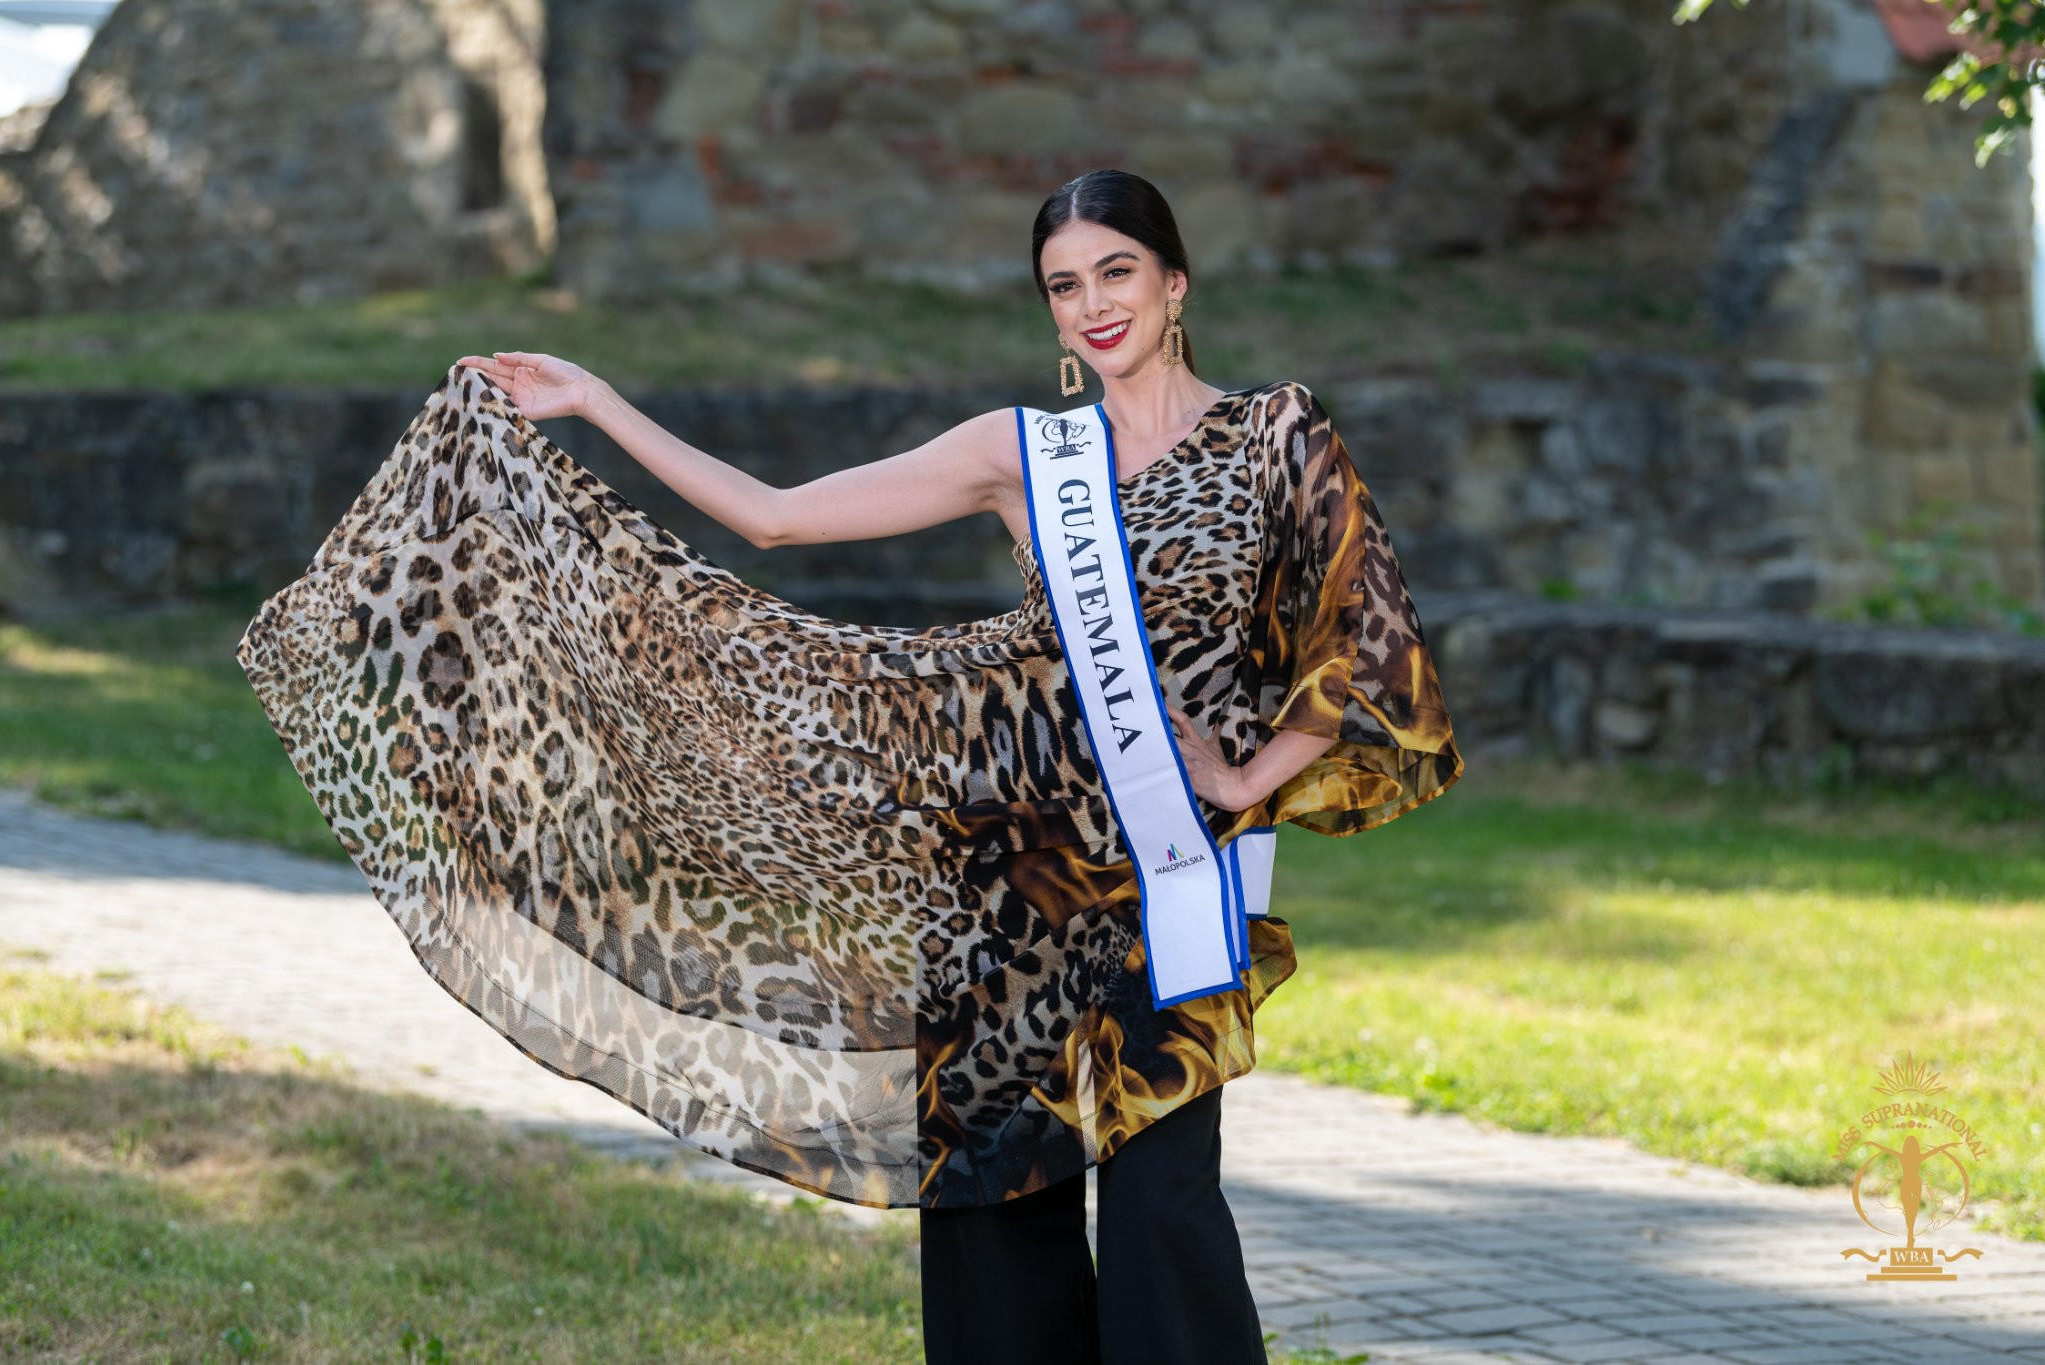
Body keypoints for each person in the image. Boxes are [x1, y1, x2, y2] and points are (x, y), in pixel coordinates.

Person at [237, 168, 1463, 1364]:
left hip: (1168, 878)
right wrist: (600, 402)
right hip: (1007, 873)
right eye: (1060, 284)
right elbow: (774, 513)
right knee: (993, 1202)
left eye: (1116, 272)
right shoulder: (1021, 449)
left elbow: (1367, 633)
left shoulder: (1272, 432)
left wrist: (1253, 780)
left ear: (1173, 280)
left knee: (1162, 1210)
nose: (1092, 304)